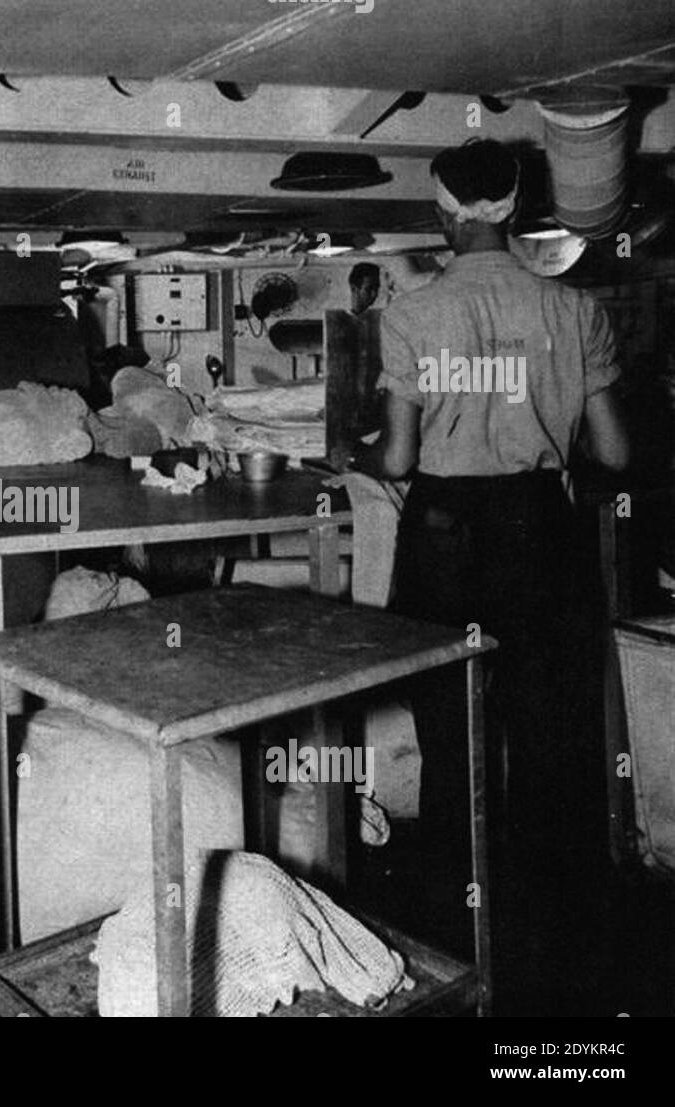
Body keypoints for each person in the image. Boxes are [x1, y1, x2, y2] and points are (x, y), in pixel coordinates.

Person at [346, 139, 630, 1005]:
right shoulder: (574, 309)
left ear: (443, 213)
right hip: (542, 537)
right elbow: (616, 449)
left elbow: (396, 457)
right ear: (518, 208)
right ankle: (554, 961)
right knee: (549, 743)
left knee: (450, 738)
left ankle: (452, 947)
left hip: (445, 539)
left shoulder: (410, 315)